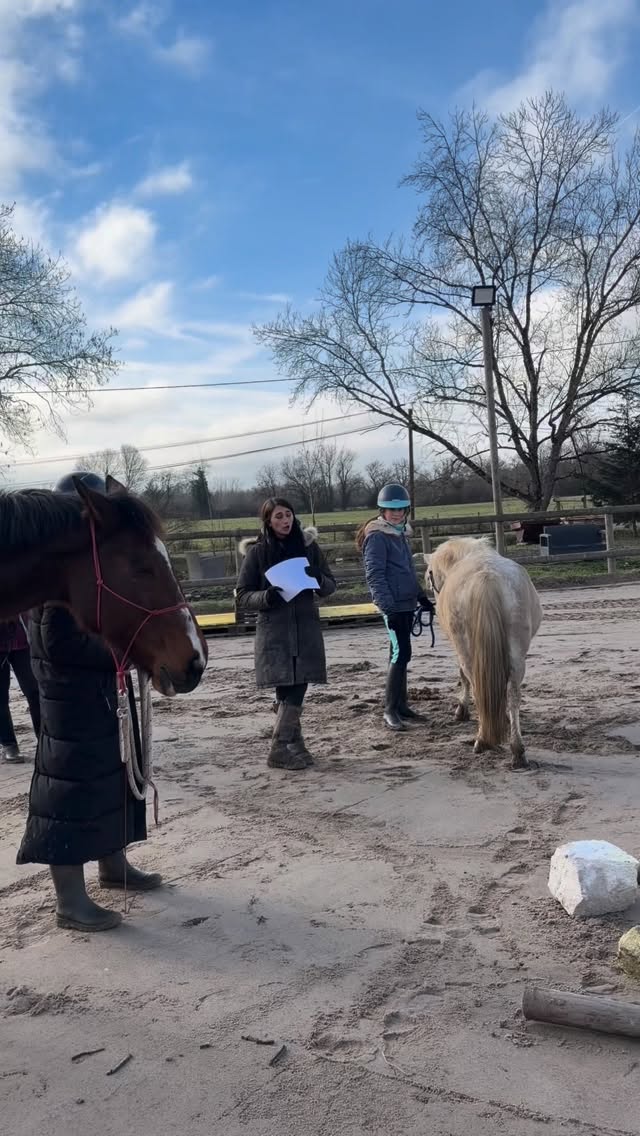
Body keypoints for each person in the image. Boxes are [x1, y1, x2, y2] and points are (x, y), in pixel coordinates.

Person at [16, 471, 162, 933]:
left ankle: (114, 864)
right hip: (69, 709)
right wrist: (123, 650)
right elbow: (60, 648)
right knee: (69, 798)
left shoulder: (89, 578)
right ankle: (70, 901)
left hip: (101, 701)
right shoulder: (52, 587)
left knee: (111, 784)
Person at [235, 497, 336, 770]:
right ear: (268, 520)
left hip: (305, 629)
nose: (285, 520)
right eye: (278, 516)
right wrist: (267, 597)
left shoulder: (309, 548)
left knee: (298, 687)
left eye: (288, 514)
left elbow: (330, 587)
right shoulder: (257, 554)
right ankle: (280, 748)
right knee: (286, 689)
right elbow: (243, 595)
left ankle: (293, 743)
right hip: (275, 633)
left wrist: (317, 577)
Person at [356, 483, 434, 732]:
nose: (397, 513)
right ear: (382, 511)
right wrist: (388, 608)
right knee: (401, 653)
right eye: (391, 510)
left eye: (400, 509)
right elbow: (374, 575)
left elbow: (407, 572)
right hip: (393, 605)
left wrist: (421, 596)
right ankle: (389, 709)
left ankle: (401, 705)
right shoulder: (378, 536)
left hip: (406, 602)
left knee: (399, 653)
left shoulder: (399, 533)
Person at [0, 616, 41, 763]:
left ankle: (43, 740)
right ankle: (9, 744)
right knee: (1, 698)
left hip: (21, 638)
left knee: (35, 691)